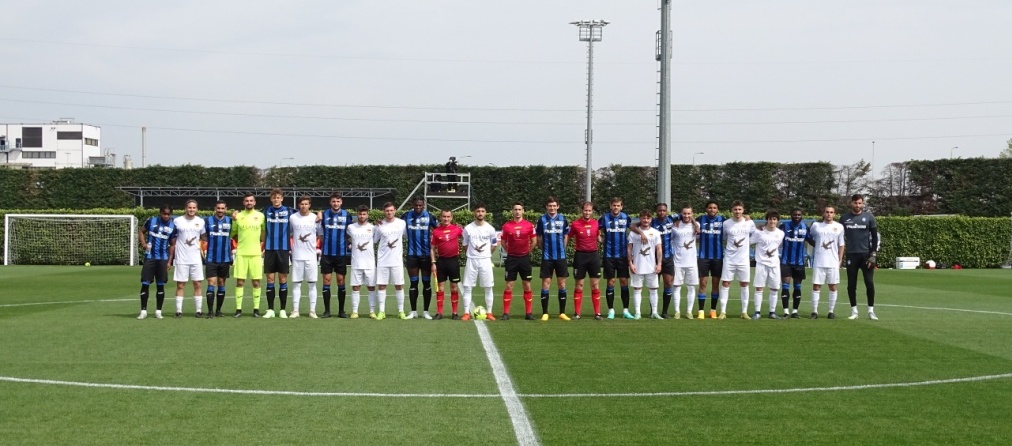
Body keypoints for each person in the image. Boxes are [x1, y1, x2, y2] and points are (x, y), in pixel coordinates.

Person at [840, 194, 880, 320]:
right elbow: (838, 237)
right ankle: (854, 311)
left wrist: (873, 254)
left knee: (869, 283)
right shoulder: (844, 218)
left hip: (866, 255)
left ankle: (871, 311)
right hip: (851, 255)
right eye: (855, 203)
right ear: (851, 203)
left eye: (860, 203)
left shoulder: (869, 217)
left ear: (862, 204)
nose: (857, 205)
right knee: (851, 284)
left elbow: (875, 237)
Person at [168, 199, 207, 318]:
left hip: (196, 258)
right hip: (181, 258)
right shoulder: (177, 221)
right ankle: (178, 311)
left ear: (197, 209)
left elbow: (204, 237)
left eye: (194, 208)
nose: (191, 210)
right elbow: (172, 239)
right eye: (189, 207)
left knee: (197, 284)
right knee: (180, 285)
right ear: (185, 208)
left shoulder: (200, 221)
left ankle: (198, 311)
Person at [718, 200, 756, 320]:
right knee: (725, 283)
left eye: (739, 209)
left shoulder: (749, 223)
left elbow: (754, 235)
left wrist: (747, 244)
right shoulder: (726, 223)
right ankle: (723, 312)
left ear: (743, 210)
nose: (737, 212)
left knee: (744, 284)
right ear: (732, 210)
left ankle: (744, 312)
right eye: (735, 209)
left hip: (743, 259)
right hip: (729, 259)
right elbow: (724, 237)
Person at [402, 197, 438, 319]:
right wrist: (381, 223)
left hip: (426, 255)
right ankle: (413, 311)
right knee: (413, 283)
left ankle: (426, 311)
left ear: (424, 205)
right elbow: (394, 224)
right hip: (412, 255)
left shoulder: (430, 216)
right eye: (416, 205)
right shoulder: (406, 216)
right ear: (412, 204)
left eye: (420, 205)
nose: (418, 207)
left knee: (426, 283)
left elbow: (439, 230)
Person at [535, 196, 571, 321]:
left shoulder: (563, 219)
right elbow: (539, 237)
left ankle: (562, 313)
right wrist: (543, 248)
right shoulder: (541, 220)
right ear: (546, 207)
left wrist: (563, 248)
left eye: (554, 206)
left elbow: (566, 236)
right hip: (547, 257)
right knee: (546, 284)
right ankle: (545, 313)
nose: (552, 208)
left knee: (562, 284)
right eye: (550, 206)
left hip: (561, 257)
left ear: (558, 206)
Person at [807, 205, 845, 319]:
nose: (829, 214)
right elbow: (809, 237)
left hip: (833, 262)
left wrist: (840, 260)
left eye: (831, 212)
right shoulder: (816, 226)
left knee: (833, 287)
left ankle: (831, 311)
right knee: (816, 286)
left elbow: (841, 244)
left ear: (834, 214)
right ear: (823, 213)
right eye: (827, 212)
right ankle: (814, 311)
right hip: (819, 261)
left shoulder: (839, 227)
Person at [137, 204, 175, 319]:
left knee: (160, 285)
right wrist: (143, 244)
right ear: (160, 213)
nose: (166, 216)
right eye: (164, 214)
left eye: (168, 214)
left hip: (163, 259)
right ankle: (143, 311)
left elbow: (172, 245)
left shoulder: (173, 226)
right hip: (150, 257)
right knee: (145, 283)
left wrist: (169, 261)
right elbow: (141, 231)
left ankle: (158, 311)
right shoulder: (151, 221)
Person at [461, 204, 498, 321]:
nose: (480, 213)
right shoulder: (468, 228)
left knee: (488, 287)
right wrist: (472, 254)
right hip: (471, 260)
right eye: (478, 211)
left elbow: (494, 245)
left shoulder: (490, 229)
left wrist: (485, 255)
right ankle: (466, 313)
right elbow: (465, 245)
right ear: (474, 213)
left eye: (482, 211)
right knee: (467, 287)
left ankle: (489, 312)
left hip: (485, 260)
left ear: (485, 213)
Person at [499, 202, 536, 320]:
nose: (517, 212)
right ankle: (506, 313)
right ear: (512, 211)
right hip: (512, 259)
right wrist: (509, 251)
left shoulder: (529, 225)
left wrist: (527, 252)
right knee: (509, 286)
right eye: (515, 209)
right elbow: (503, 242)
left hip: (524, 259)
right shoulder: (506, 226)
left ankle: (528, 313)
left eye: (519, 209)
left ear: (523, 211)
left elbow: (534, 241)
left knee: (527, 285)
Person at [231, 193, 265, 318]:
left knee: (256, 282)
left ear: (254, 202)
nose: (249, 202)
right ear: (243, 202)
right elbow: (233, 233)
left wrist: (263, 246)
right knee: (240, 282)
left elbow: (263, 233)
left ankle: (256, 309)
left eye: (251, 201)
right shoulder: (238, 216)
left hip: (255, 254)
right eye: (247, 201)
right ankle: (238, 309)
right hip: (241, 254)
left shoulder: (260, 216)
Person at [318, 193, 351, 318]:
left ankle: (341, 311)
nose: (336, 203)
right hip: (327, 254)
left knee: (341, 281)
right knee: (326, 281)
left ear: (341, 202)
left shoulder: (347, 215)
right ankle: (327, 311)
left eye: (338, 201)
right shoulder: (324, 214)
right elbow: (320, 233)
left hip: (341, 254)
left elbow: (350, 232)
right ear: (330, 202)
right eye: (333, 201)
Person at [599, 197, 633, 320]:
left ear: (621, 207)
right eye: (614, 205)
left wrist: (641, 233)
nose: (616, 207)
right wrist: (599, 237)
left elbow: (632, 227)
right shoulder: (604, 218)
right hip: (609, 256)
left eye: (618, 205)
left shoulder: (626, 217)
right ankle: (611, 310)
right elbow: (596, 228)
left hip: (622, 256)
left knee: (624, 281)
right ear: (610, 206)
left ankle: (626, 311)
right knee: (611, 282)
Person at [373, 202, 407, 319]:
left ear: (395, 211)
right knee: (382, 286)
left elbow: (408, 236)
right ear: (384, 211)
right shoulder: (380, 225)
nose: (389, 212)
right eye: (387, 211)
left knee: (399, 285)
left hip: (397, 261)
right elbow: (374, 240)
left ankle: (401, 311)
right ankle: (381, 311)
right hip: (383, 261)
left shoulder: (402, 223)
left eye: (391, 210)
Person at [289, 196, 321, 318]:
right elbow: (289, 233)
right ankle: (295, 311)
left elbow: (320, 234)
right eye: (302, 204)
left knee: (312, 284)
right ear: (298, 205)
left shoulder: (315, 218)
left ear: (309, 205)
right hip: (297, 256)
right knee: (296, 284)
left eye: (306, 204)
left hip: (311, 256)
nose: (304, 206)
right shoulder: (293, 218)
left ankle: (312, 311)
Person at [569, 201, 602, 320]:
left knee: (595, 285)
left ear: (592, 212)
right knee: (579, 285)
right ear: (582, 211)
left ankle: (597, 313)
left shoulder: (596, 224)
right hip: (580, 256)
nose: (587, 212)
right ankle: (577, 313)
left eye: (589, 211)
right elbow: (568, 236)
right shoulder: (575, 224)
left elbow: (599, 237)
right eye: (585, 210)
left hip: (593, 256)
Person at [262, 188, 292, 319]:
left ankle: (282, 310)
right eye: (274, 197)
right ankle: (270, 310)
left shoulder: (289, 211)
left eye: (278, 197)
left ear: (282, 198)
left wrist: (318, 214)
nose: (276, 199)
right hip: (269, 249)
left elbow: (304, 214)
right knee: (270, 279)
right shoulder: (265, 211)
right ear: (271, 199)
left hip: (283, 249)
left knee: (283, 279)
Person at [627, 209, 662, 319]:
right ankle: (638, 313)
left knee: (653, 289)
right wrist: (630, 263)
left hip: (651, 266)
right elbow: (629, 249)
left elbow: (659, 249)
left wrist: (659, 264)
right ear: (640, 219)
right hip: (637, 266)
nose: (645, 220)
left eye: (648, 218)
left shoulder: (656, 233)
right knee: (637, 289)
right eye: (643, 218)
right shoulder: (633, 233)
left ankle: (654, 312)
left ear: (651, 219)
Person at [430, 209, 464, 320]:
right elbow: (432, 248)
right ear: (440, 217)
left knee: (454, 288)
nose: (446, 219)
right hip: (441, 262)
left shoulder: (457, 229)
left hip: (453, 261)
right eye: (444, 216)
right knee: (440, 288)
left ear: (451, 217)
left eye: (448, 216)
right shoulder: (436, 231)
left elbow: (468, 237)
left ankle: (455, 313)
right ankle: (439, 313)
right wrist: (433, 262)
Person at [751, 211, 784, 320]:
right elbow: (748, 241)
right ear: (767, 220)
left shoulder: (781, 233)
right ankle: (757, 312)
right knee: (759, 288)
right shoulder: (759, 232)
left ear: (777, 221)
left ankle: (772, 312)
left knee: (774, 289)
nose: (772, 221)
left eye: (774, 219)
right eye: (770, 219)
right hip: (761, 264)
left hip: (774, 264)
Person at [203, 200, 233, 318]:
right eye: (218, 208)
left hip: (225, 258)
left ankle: (218, 310)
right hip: (211, 258)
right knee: (211, 283)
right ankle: (210, 311)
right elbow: (202, 235)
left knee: (221, 283)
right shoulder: (207, 221)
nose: (220, 210)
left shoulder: (230, 221)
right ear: (215, 208)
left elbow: (234, 235)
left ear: (226, 209)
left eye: (222, 208)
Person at [670, 206, 700, 319]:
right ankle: (677, 312)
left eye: (689, 213)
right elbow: (671, 239)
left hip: (692, 262)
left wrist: (695, 223)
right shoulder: (675, 226)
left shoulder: (696, 225)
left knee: (691, 287)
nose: (686, 216)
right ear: (681, 214)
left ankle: (689, 311)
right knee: (676, 287)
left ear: (692, 214)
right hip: (678, 261)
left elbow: (699, 232)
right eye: (684, 213)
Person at [347, 205, 377, 319]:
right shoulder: (351, 227)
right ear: (357, 214)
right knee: (355, 287)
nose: (362, 216)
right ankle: (355, 311)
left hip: (370, 263)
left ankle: (372, 311)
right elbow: (346, 237)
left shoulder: (373, 228)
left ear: (367, 215)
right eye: (360, 214)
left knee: (371, 287)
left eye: (364, 214)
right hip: (356, 263)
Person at [696, 201, 725, 319]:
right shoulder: (700, 219)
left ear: (717, 209)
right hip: (704, 257)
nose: (712, 209)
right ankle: (701, 311)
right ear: (706, 209)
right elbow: (685, 219)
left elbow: (737, 222)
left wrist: (747, 218)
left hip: (718, 257)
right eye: (710, 207)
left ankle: (713, 310)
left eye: (714, 208)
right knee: (703, 283)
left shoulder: (723, 220)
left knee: (715, 284)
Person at [779, 209, 809, 318]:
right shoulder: (784, 226)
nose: (797, 216)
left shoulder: (805, 227)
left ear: (802, 216)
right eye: (795, 214)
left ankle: (795, 312)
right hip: (785, 262)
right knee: (785, 286)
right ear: (791, 215)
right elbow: (773, 234)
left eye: (799, 215)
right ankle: (786, 312)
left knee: (797, 287)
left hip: (799, 263)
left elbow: (812, 241)